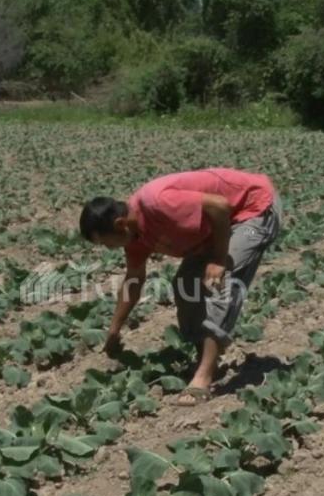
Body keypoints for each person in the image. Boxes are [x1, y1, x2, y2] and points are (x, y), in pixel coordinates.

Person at [79, 168, 282, 406]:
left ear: (120, 224)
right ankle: (205, 355)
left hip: (253, 209)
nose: (108, 249)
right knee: (186, 285)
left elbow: (219, 206)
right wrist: (114, 329)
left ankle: (204, 376)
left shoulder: (156, 203)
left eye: (106, 243)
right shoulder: (134, 236)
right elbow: (133, 279)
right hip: (216, 229)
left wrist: (218, 259)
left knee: (220, 283)